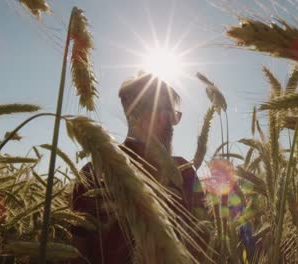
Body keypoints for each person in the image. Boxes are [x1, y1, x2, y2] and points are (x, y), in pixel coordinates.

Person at [69, 72, 209, 264]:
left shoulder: (183, 170)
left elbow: (204, 237)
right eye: (165, 112)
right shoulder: (94, 174)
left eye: (173, 115)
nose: (171, 123)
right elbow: (78, 251)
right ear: (135, 114)